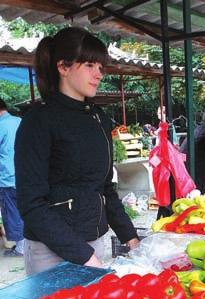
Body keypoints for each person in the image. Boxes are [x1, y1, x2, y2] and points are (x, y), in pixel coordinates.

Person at [15, 27, 140, 275]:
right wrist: (84, 256)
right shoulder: (39, 121)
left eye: (101, 68)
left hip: (95, 242)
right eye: (90, 65)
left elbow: (105, 188)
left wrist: (131, 238)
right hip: (50, 251)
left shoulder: (98, 119)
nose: (98, 74)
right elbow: (32, 204)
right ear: (63, 67)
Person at [0, 98, 25, 257]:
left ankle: (21, 248)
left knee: (13, 213)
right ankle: (26, 244)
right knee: (24, 211)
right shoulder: (20, 121)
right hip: (25, 175)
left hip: (7, 177)